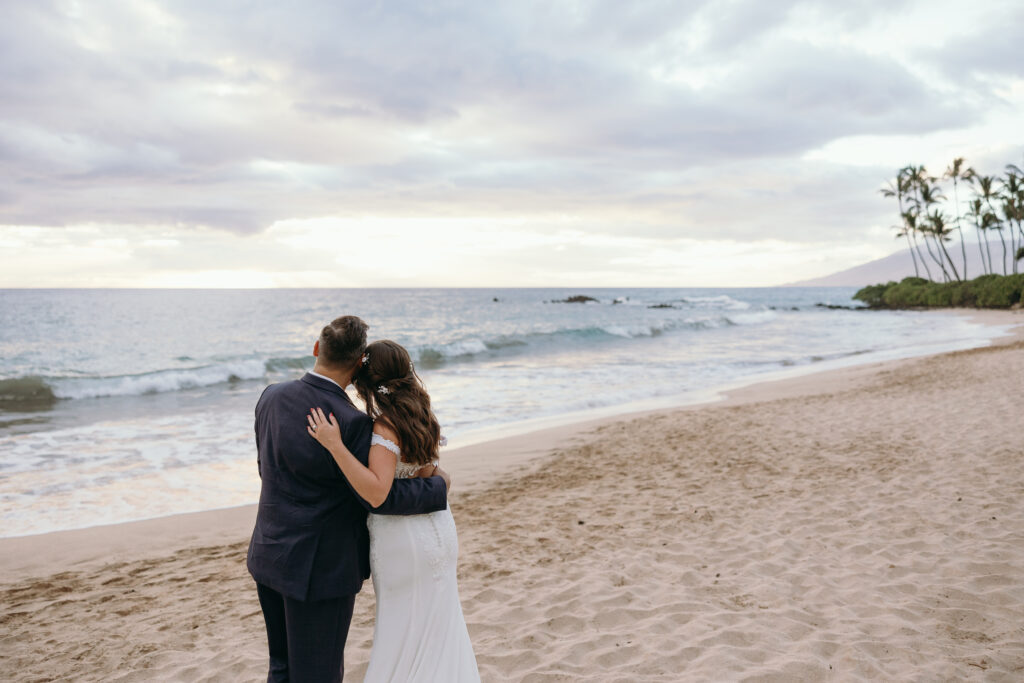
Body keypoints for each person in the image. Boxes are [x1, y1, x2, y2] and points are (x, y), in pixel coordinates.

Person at [247, 316, 450, 683]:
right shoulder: (351, 423)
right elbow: (379, 496)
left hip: (269, 554)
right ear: (359, 364)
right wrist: (438, 488)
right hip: (321, 570)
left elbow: (267, 470)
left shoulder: (270, 396)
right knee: (319, 674)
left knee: (282, 668)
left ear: (315, 349)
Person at [307, 339, 480, 682]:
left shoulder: (385, 425)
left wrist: (335, 445)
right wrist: (443, 482)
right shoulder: (422, 413)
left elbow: (376, 492)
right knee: (438, 627)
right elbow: (431, 474)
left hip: (404, 542)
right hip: (439, 532)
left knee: (402, 630)